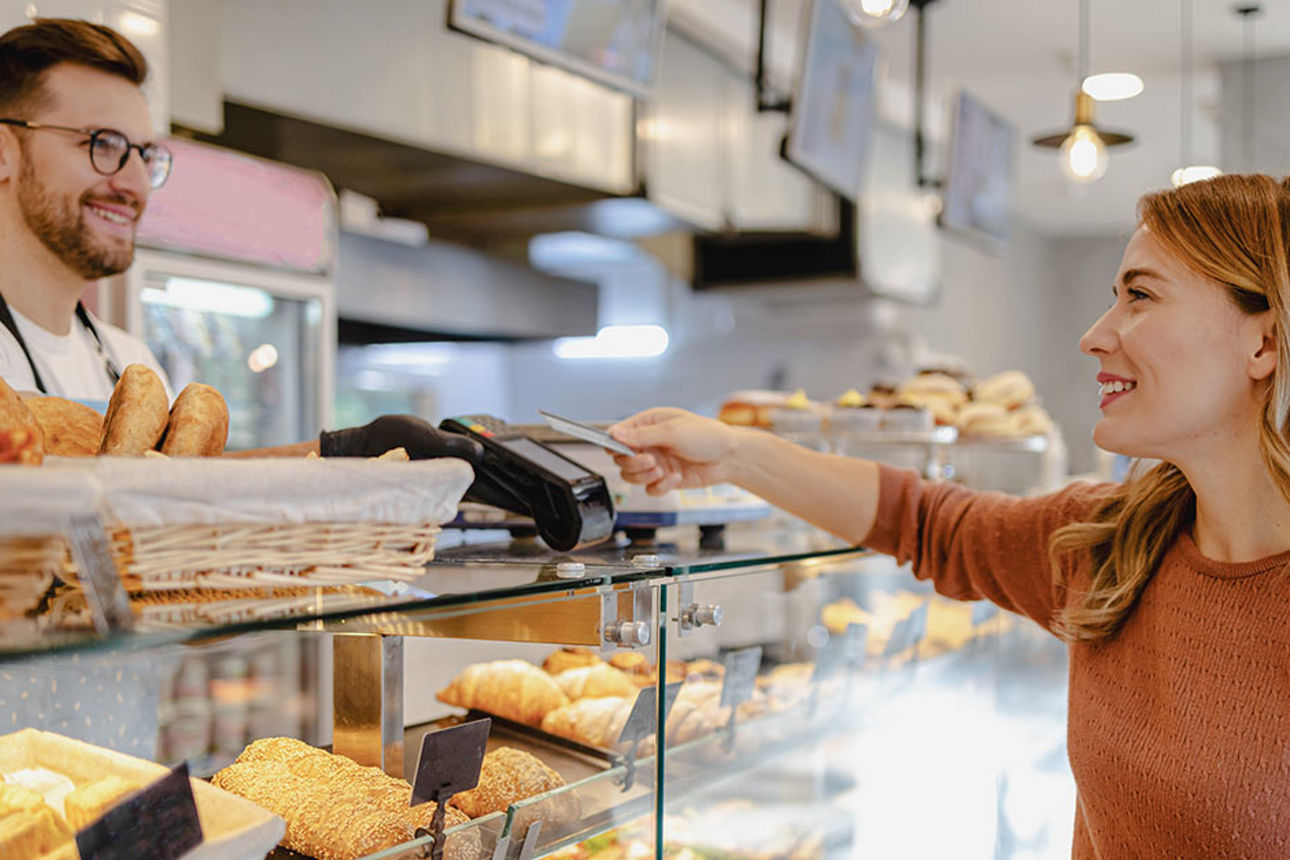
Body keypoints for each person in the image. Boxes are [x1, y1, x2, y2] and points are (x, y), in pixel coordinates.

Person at [607, 174, 1290, 857]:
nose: (1094, 336)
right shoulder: (1118, 542)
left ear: (1263, 342)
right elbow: (928, 522)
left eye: (1140, 295)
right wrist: (732, 454)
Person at [0, 18, 477, 462]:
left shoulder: (127, 361)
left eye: (145, 154)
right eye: (103, 143)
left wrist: (351, 451)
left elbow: (184, 499)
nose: (135, 183)